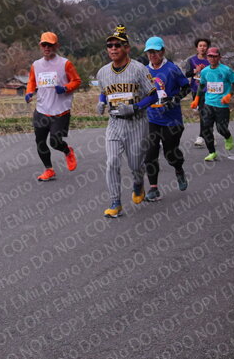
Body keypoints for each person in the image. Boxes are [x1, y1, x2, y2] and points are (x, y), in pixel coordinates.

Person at [95, 25, 157, 217]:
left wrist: (135, 107)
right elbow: (104, 91)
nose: (113, 49)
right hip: (115, 123)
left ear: (127, 48)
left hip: (137, 123)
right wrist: (101, 102)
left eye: (117, 45)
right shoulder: (102, 72)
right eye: (110, 45)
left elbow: (153, 95)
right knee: (112, 161)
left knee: (135, 165)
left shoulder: (139, 69)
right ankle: (115, 202)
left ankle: (138, 183)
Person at [25, 32, 82, 181]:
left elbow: (77, 80)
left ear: (56, 46)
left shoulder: (65, 64)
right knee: (40, 142)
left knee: (55, 142)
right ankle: (49, 170)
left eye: (50, 45)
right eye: (44, 44)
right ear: (40, 46)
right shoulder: (36, 65)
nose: (47, 48)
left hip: (60, 110)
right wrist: (29, 92)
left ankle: (67, 151)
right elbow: (32, 81)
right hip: (42, 109)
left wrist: (65, 88)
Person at [142, 37, 191, 201]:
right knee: (150, 154)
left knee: (171, 154)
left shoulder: (172, 69)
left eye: (155, 51)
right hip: (151, 119)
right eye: (149, 52)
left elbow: (186, 87)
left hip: (172, 120)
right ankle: (153, 188)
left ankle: (179, 169)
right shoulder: (144, 71)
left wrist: (175, 99)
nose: (152, 55)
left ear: (162, 51)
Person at [191, 47, 234, 162]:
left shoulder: (226, 70)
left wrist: (229, 95)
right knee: (206, 129)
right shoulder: (205, 71)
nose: (212, 58)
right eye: (210, 56)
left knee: (221, 129)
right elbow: (202, 85)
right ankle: (212, 152)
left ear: (219, 57)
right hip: (208, 104)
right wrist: (196, 99)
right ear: (207, 57)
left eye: (215, 56)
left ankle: (228, 137)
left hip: (222, 105)